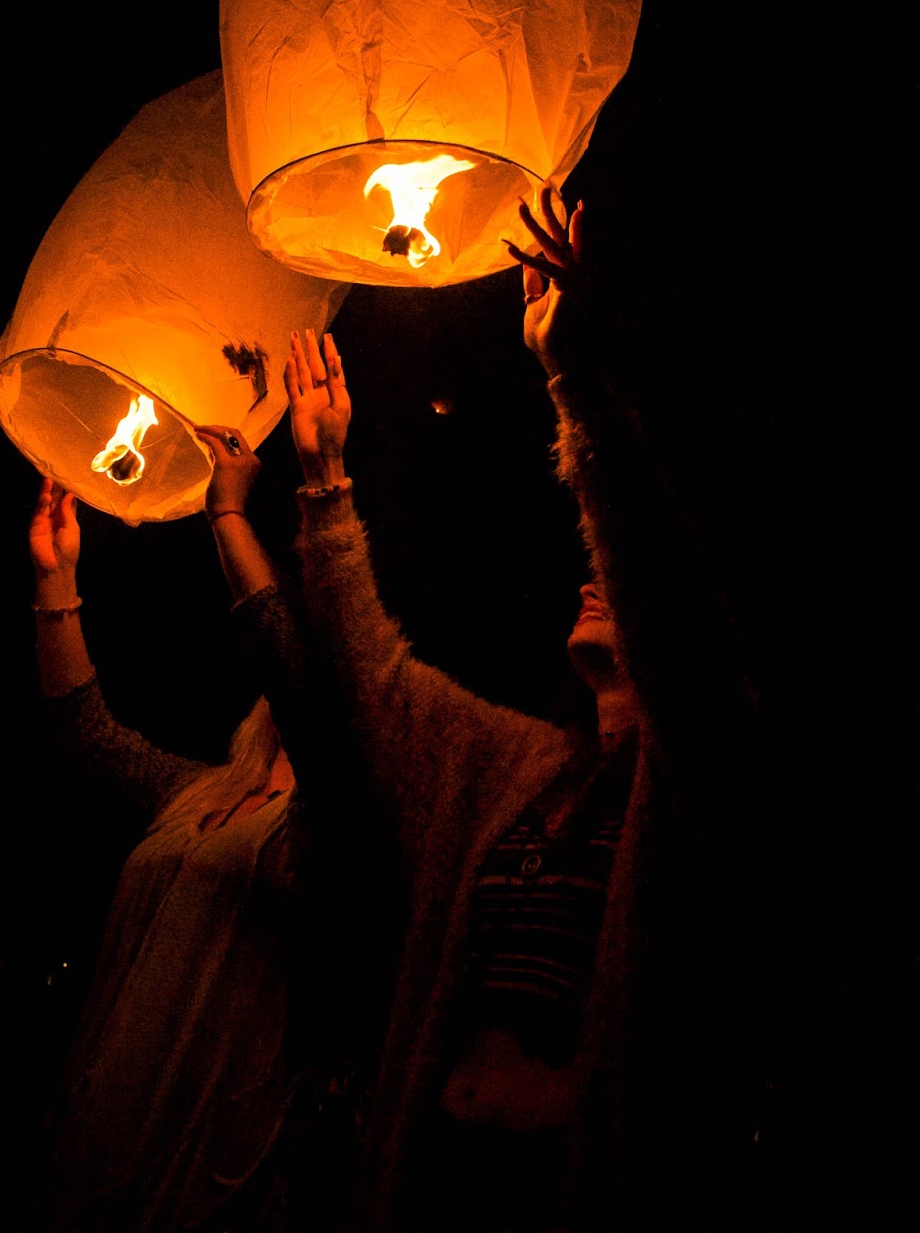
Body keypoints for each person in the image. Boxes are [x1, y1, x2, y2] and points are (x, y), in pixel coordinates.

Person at [273, 186, 768, 1231]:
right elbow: (375, 676)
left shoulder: (698, 770)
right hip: (430, 1180)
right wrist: (320, 476)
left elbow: (652, 579)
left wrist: (572, 380)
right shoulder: (519, 770)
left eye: (613, 580)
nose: (592, 580)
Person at [25, 424, 378, 1233]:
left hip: (217, 1154)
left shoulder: (338, 808)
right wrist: (56, 580)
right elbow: (84, 729)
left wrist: (228, 515)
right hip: (105, 1121)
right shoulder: (197, 793)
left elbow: (286, 665)